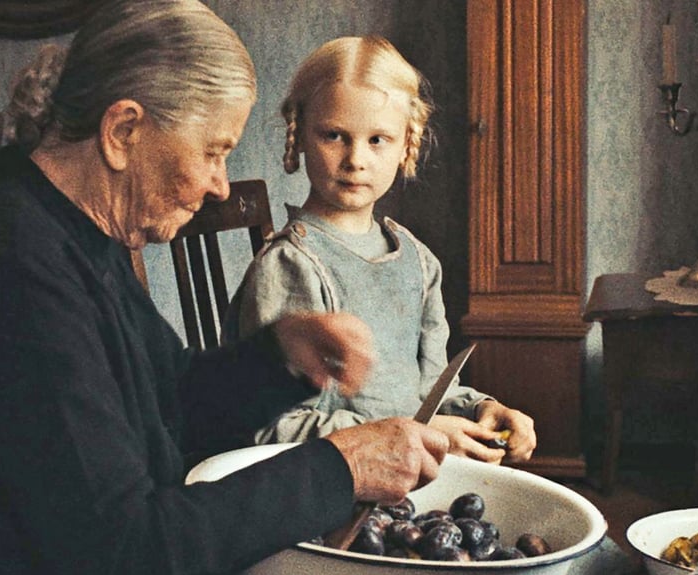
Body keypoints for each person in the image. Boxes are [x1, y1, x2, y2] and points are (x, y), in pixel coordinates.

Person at [0, 2, 449, 575]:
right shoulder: (0, 260)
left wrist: (281, 360)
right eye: (214, 151)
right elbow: (123, 548)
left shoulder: (63, 222)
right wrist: (339, 470)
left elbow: (165, 402)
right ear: (123, 130)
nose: (221, 185)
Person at [225, 36, 537, 464]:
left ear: (407, 144)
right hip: (328, 486)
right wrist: (413, 430)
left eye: (378, 140)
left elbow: (428, 391)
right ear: (299, 135)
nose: (356, 159)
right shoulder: (289, 266)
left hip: (409, 474)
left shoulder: (419, 261)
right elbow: (272, 429)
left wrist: (482, 410)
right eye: (334, 135)